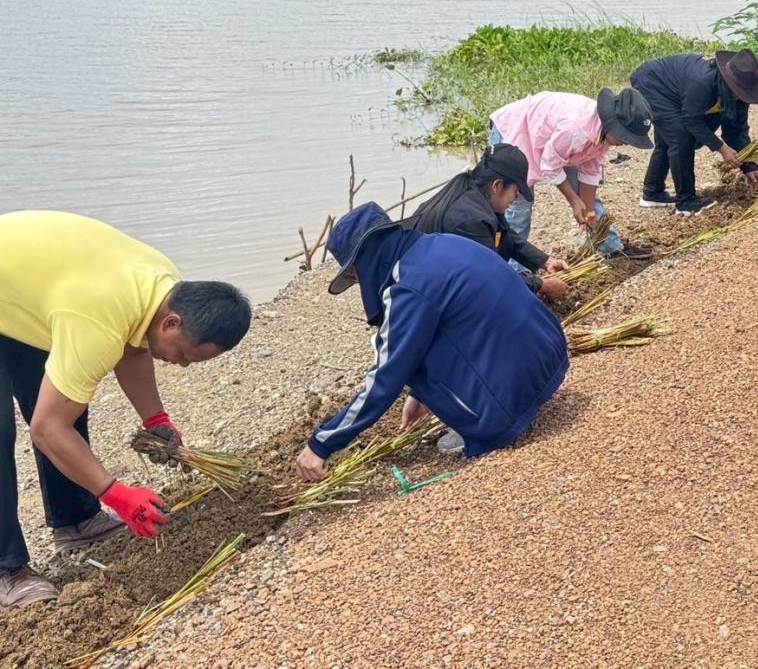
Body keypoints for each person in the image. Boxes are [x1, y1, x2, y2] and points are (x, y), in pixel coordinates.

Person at [1, 211, 251, 608]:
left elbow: (133, 347)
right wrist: (115, 493)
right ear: (172, 323)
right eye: (184, 355)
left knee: (67, 395)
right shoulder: (97, 317)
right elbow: (47, 429)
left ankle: (76, 522)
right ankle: (6, 569)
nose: (183, 365)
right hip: (22, 286)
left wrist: (156, 419)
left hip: (19, 292)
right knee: (18, 429)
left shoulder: (164, 287)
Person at [295, 202, 569, 473]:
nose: (358, 281)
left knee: (396, 352)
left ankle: (489, 417)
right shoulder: (444, 242)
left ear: (362, 262)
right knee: (419, 336)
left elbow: (385, 376)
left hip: (510, 404)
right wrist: (420, 393)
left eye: (354, 275)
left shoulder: (407, 287)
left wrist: (321, 443)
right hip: (551, 354)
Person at [489, 88, 654, 261]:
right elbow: (550, 164)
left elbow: (590, 170)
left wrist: (587, 209)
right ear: (612, 125)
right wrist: (574, 201)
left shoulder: (604, 133)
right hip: (517, 131)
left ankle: (610, 247)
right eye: (624, 137)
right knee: (518, 207)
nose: (625, 143)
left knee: (588, 203)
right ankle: (513, 270)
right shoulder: (576, 129)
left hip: (554, 141)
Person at [401, 143, 571, 301]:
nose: (516, 197)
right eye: (516, 190)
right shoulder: (469, 219)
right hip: (420, 294)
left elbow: (505, 235)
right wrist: (541, 285)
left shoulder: (476, 192)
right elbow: (490, 279)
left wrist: (544, 261)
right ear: (497, 185)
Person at [630, 50, 758, 217]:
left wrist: (749, 165)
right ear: (728, 81)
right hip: (652, 84)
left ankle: (652, 193)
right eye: (737, 90)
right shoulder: (702, 82)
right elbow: (691, 120)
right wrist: (721, 148)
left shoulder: (739, 98)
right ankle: (686, 202)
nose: (739, 96)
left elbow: (737, 131)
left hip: (677, 92)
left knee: (668, 139)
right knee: (680, 138)